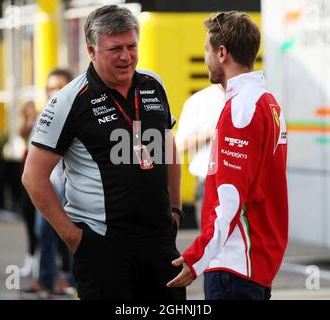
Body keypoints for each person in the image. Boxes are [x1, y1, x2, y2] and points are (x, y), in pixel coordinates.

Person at [22, 5, 185, 300]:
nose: (126, 56)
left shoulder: (153, 84)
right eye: (115, 49)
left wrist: (175, 209)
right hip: (104, 248)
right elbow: (33, 177)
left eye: (132, 46)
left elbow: (169, 148)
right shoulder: (68, 101)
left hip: (160, 243)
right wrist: (73, 237)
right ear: (91, 50)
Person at [167, 11, 288, 300]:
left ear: (222, 53)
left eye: (207, 50)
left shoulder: (240, 108)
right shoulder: (268, 102)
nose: (206, 57)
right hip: (252, 264)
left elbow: (231, 197)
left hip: (234, 266)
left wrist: (197, 257)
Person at [20, 68, 76, 299]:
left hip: (68, 187)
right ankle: (45, 281)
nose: (55, 92)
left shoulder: (75, 115)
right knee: (43, 234)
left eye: (60, 86)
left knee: (70, 235)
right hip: (46, 185)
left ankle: (71, 281)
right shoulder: (45, 115)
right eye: (51, 88)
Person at [175, 84, 225, 228]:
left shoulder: (249, 98)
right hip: (208, 183)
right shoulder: (199, 101)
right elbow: (181, 145)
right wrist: (213, 132)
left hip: (243, 183)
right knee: (209, 238)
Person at [18, 100, 39, 277]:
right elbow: (23, 135)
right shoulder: (31, 124)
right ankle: (32, 259)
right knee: (30, 219)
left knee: (41, 228)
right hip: (29, 177)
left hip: (44, 180)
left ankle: (38, 262)